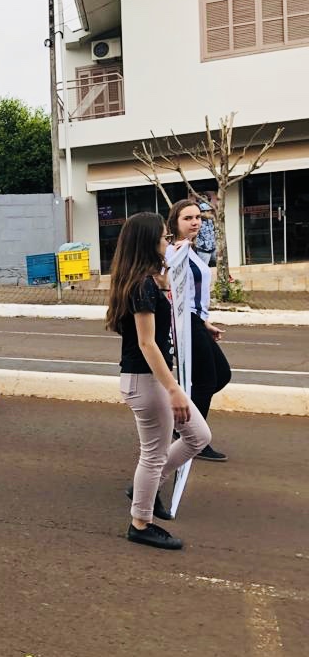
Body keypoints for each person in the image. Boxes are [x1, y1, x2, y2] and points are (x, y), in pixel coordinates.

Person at [106, 211, 211, 550]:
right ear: (149, 242)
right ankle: (140, 523)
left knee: (198, 436)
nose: (168, 241)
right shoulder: (141, 286)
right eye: (164, 237)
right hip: (146, 381)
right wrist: (174, 389)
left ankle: (144, 490)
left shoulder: (148, 282)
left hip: (152, 379)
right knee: (153, 455)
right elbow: (147, 343)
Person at [167, 198, 231, 462]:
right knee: (205, 381)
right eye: (188, 218)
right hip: (184, 325)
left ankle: (179, 425)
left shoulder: (190, 250)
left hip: (196, 321)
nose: (195, 222)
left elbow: (191, 295)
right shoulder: (172, 252)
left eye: (198, 218)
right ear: (175, 222)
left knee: (221, 375)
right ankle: (194, 439)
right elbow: (171, 293)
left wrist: (205, 322)